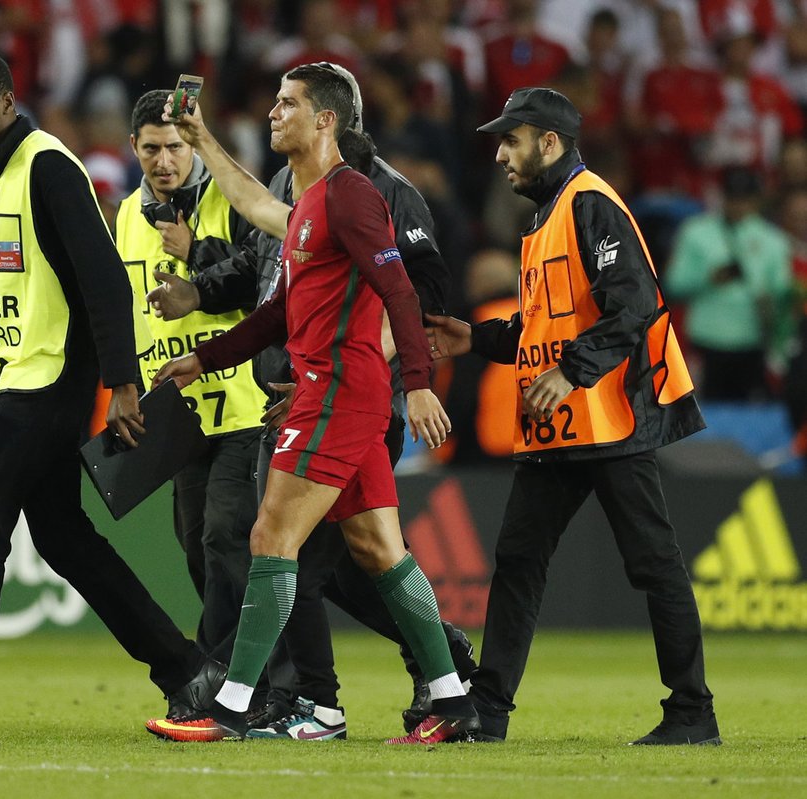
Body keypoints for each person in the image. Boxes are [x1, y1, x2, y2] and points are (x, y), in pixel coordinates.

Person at [0, 51, 224, 739]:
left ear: (6, 101)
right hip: (17, 384)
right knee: (63, 537)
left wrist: (119, 383)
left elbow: (104, 280)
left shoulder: (47, 167)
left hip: (50, 382)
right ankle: (186, 669)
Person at [143, 62, 479, 745]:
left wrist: (416, 382)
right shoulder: (309, 206)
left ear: (325, 120)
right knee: (379, 548)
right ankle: (452, 696)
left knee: (270, 537)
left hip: (335, 393)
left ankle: (236, 703)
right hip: (342, 395)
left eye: (288, 102)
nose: (274, 111)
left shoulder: (352, 198)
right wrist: (207, 356)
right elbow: (276, 307)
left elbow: (405, 292)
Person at [425, 87, 721, 746]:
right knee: (518, 559)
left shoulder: (590, 203)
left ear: (549, 142)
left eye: (512, 140)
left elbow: (635, 304)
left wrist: (571, 372)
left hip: (610, 415)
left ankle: (693, 710)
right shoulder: (548, 216)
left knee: (653, 563)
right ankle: (490, 710)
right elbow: (542, 328)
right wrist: (474, 337)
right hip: (563, 422)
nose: (501, 154)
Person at [114, 89, 262, 693]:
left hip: (244, 401)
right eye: (151, 149)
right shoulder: (125, 215)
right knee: (197, 547)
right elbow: (126, 311)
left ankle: (222, 680)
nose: (164, 161)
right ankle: (238, 674)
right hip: (179, 413)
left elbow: (267, 279)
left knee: (226, 536)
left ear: (193, 144)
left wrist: (197, 254)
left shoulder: (231, 200)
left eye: (175, 146)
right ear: (134, 148)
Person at [664, 166, 793, 400]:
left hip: (753, 340)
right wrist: (707, 278)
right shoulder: (695, 232)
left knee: (753, 415)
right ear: (723, 196)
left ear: (756, 199)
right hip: (707, 341)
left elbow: (784, 291)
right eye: (733, 196)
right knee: (706, 412)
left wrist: (769, 298)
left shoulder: (774, 240)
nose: (738, 204)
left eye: (744, 197)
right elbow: (673, 283)